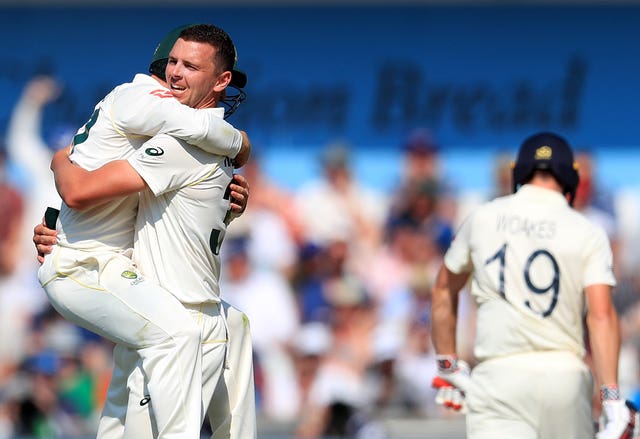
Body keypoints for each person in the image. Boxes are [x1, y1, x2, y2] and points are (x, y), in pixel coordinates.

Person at [35, 24, 253, 438]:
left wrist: (58, 173)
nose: (175, 75)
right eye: (173, 63)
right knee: (177, 335)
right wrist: (242, 144)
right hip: (104, 273)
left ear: (220, 80)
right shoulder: (160, 115)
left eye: (190, 66)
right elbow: (80, 191)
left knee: (124, 417)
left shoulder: (162, 136)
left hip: (136, 282)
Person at [430, 131, 636, 438]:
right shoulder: (588, 232)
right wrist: (611, 399)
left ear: (519, 171)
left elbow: (443, 289)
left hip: (498, 377)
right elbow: (601, 315)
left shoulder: (483, 218)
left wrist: (449, 364)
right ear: (570, 178)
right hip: (564, 377)